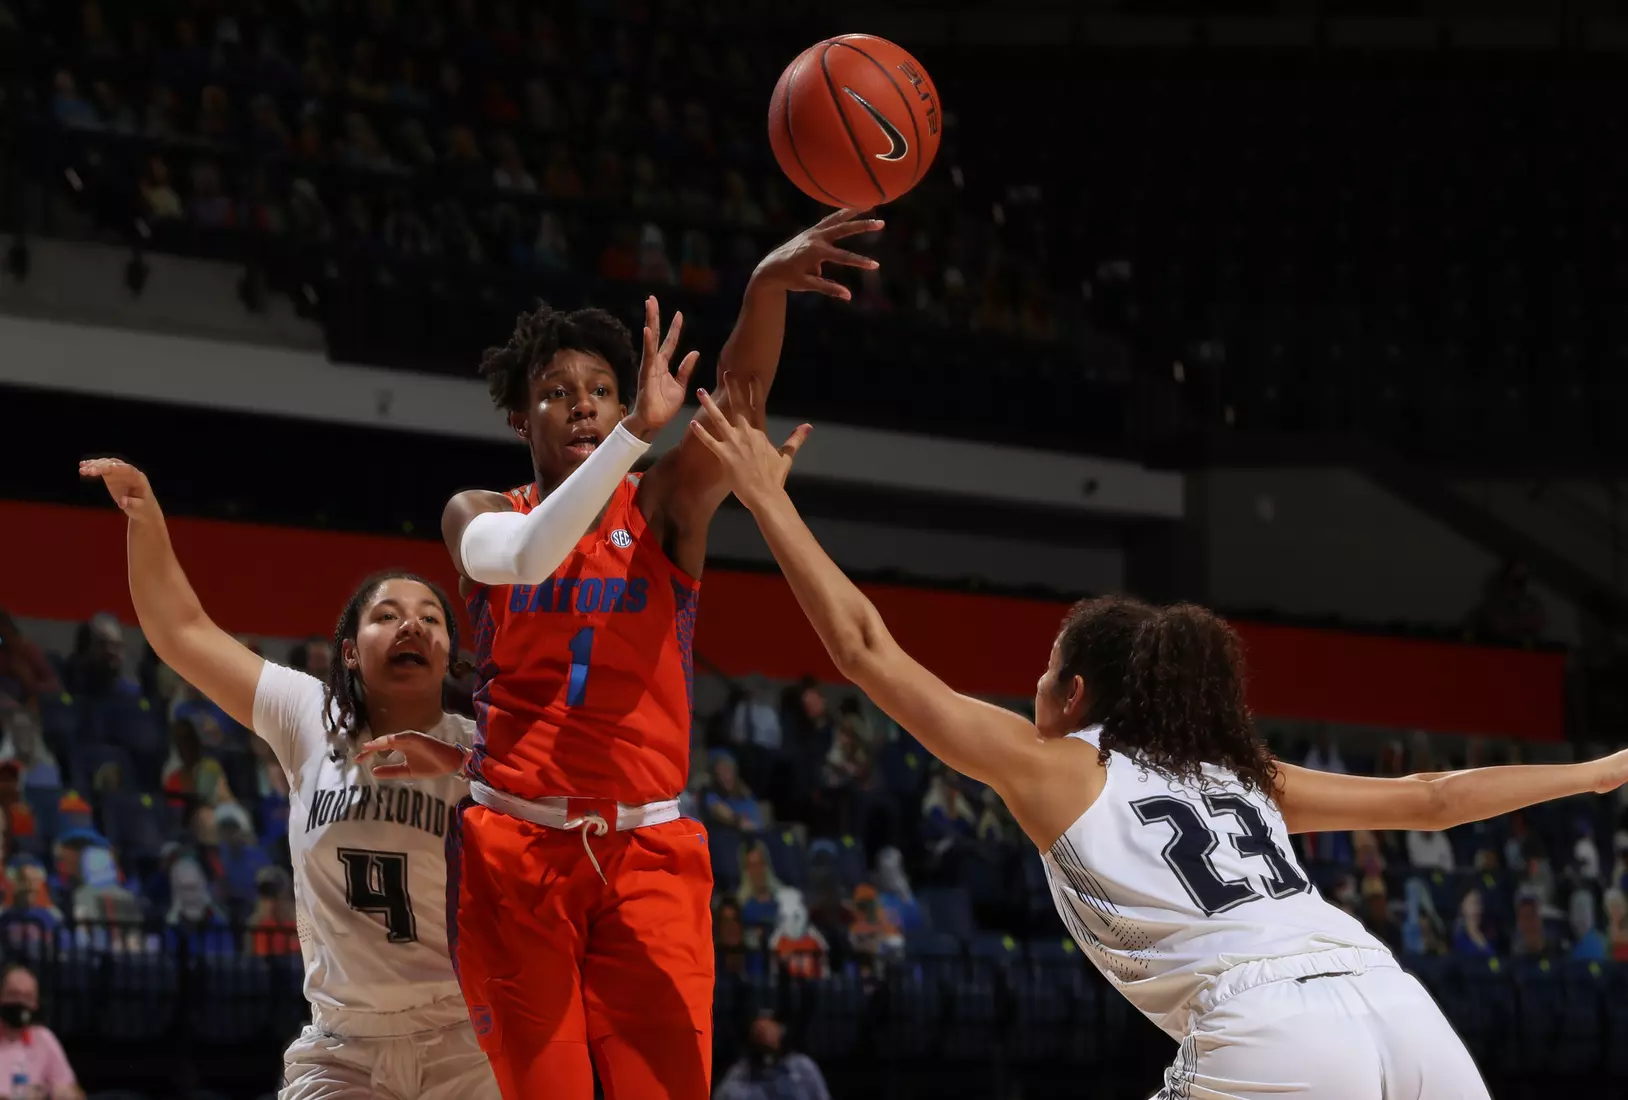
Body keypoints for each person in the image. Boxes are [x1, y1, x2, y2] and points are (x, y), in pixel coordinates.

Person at [686, 376, 1628, 1100]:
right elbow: (1434, 800)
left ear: (1078, 693)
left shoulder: (1055, 765)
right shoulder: (1241, 770)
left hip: (1267, 1024)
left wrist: (769, 500)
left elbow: (864, 649)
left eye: (1048, 666)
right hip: (1399, 1004)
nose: (1035, 683)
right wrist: (1596, 774)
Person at [366, 209, 881, 1100]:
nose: (583, 406)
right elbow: (525, 555)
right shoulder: (478, 508)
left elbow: (741, 406)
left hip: (648, 849)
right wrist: (634, 435)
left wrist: (763, 288)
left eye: (601, 391)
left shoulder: (662, 504)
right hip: (514, 850)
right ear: (518, 411)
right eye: (558, 391)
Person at [79, 458, 499, 1100]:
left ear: (447, 653)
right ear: (350, 651)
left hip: (465, 1039)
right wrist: (146, 518)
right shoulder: (310, 714)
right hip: (343, 1045)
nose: (411, 624)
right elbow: (181, 631)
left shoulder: (483, 749)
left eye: (430, 618)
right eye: (386, 615)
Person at [0, 963, 81, 1100]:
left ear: (35, 1004)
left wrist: (64, 1094)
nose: (20, 1002)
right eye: (13, 994)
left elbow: (75, 1092)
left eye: (27, 997)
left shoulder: (44, 1039)